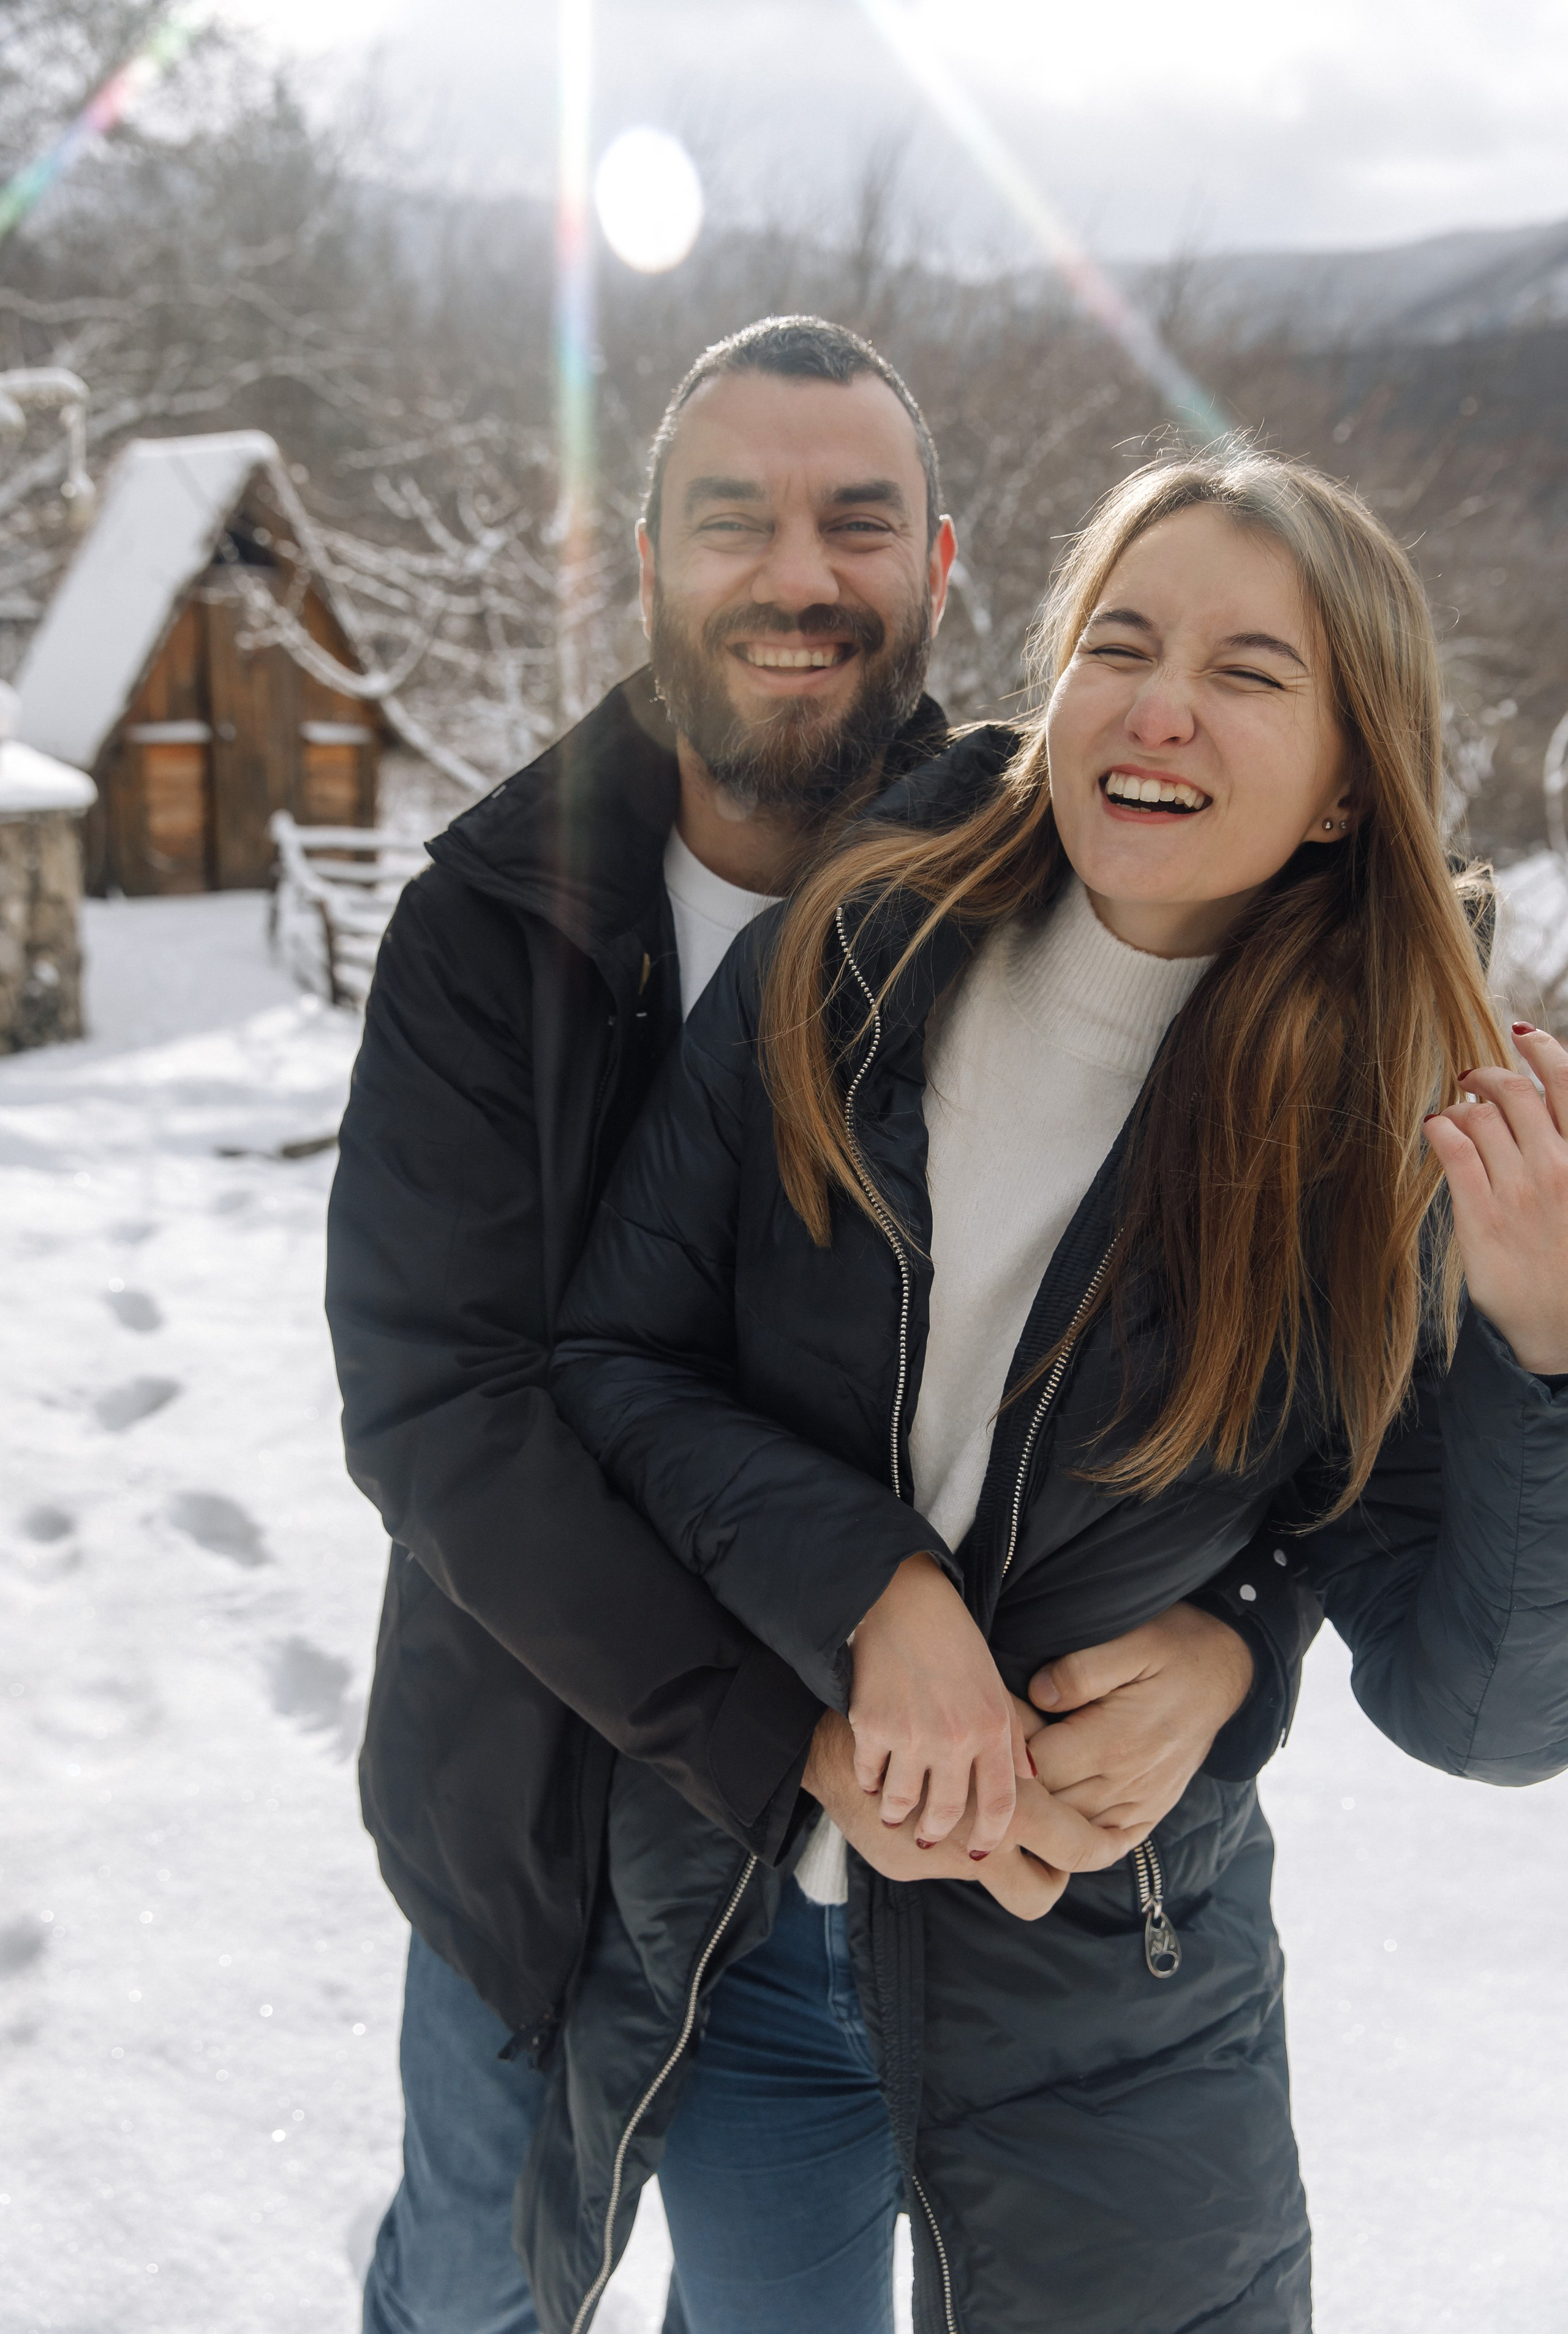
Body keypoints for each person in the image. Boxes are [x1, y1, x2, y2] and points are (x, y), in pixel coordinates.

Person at [326, 323, 1317, 2334]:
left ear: (941, 565)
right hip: (539, 1793)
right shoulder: (489, 915)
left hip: (896, 1889)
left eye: (858, 523)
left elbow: (1270, 1411)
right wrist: (792, 1741)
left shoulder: (1075, 891)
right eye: (735, 521)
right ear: (639, 563)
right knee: (473, 2289)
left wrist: (1244, 1636)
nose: (801, 575)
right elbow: (447, 1408)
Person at [550, 445, 1568, 2334]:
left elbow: (1482, 1704)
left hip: (1112, 1984)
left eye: (1254, 673)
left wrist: (1548, 1354)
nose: (1163, 705)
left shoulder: (1397, 1136)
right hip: (757, 1927)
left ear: (1352, 783)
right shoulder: (838, 968)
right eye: (1124, 639)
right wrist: (874, 1589)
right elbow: (613, 1366)